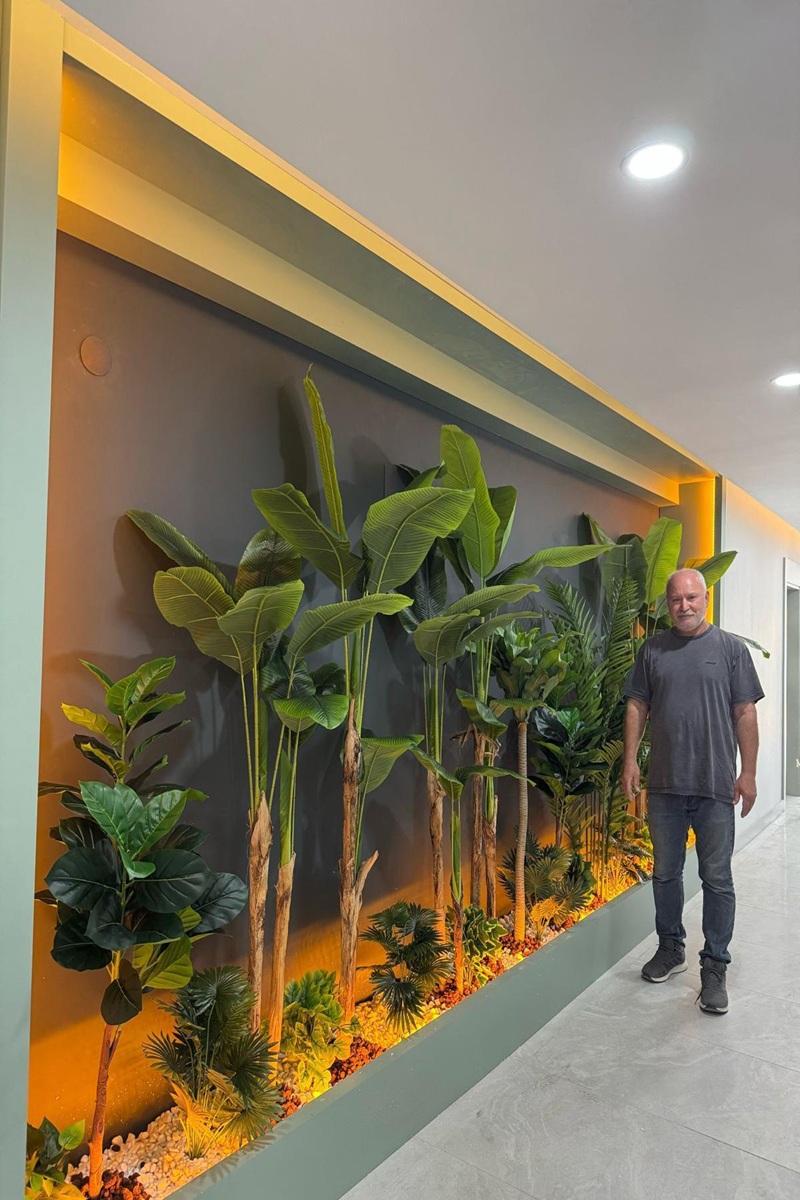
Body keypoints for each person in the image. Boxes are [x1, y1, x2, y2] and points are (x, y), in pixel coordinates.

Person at [621, 567, 763, 1015]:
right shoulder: (652, 650)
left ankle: (715, 966)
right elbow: (637, 704)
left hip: (715, 784)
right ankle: (671, 948)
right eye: (676, 599)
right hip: (664, 784)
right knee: (665, 873)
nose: (684, 606)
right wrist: (629, 760)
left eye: (691, 598)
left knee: (716, 879)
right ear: (668, 603)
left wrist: (748, 773)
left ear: (706, 598)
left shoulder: (731, 649)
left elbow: (745, 713)